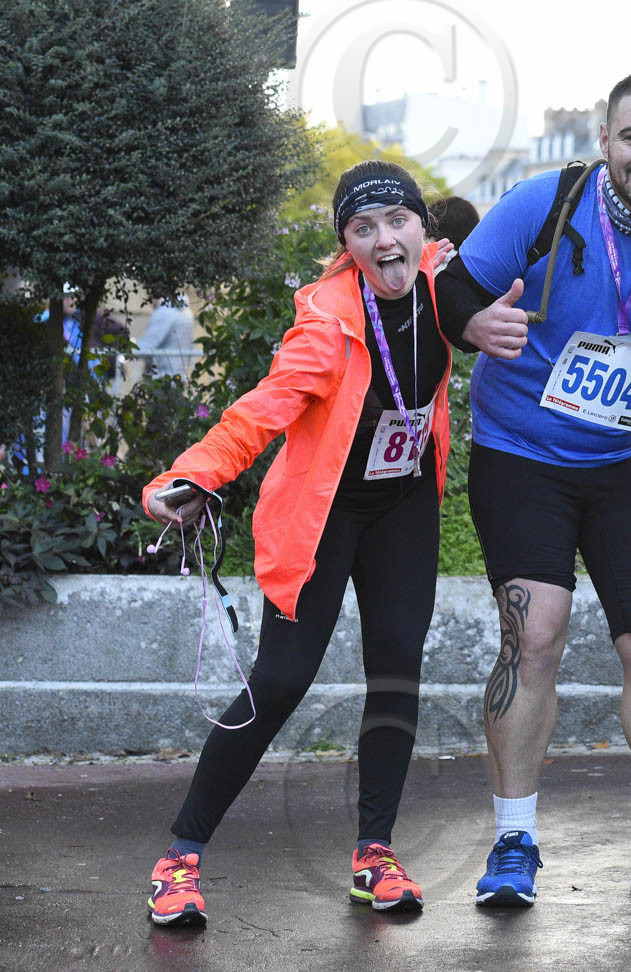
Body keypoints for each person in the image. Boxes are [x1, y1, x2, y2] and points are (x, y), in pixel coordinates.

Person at [435, 70, 631, 907]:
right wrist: (473, 324)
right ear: (604, 140)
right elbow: (453, 288)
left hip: (629, 461)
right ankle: (513, 841)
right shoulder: (544, 203)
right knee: (535, 636)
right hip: (523, 453)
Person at [139, 161, 456, 926]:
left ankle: (375, 855)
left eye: (398, 221)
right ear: (348, 245)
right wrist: (194, 474)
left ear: (422, 227)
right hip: (327, 515)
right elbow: (262, 410)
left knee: (396, 676)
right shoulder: (329, 323)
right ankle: (180, 857)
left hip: (406, 506)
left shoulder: (447, 288)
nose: (385, 240)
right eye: (364, 228)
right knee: (280, 683)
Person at [136, 296, 196, 380]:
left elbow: (147, 344)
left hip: (162, 374)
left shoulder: (164, 311)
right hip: (180, 373)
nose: (149, 302)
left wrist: (129, 351)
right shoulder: (187, 312)